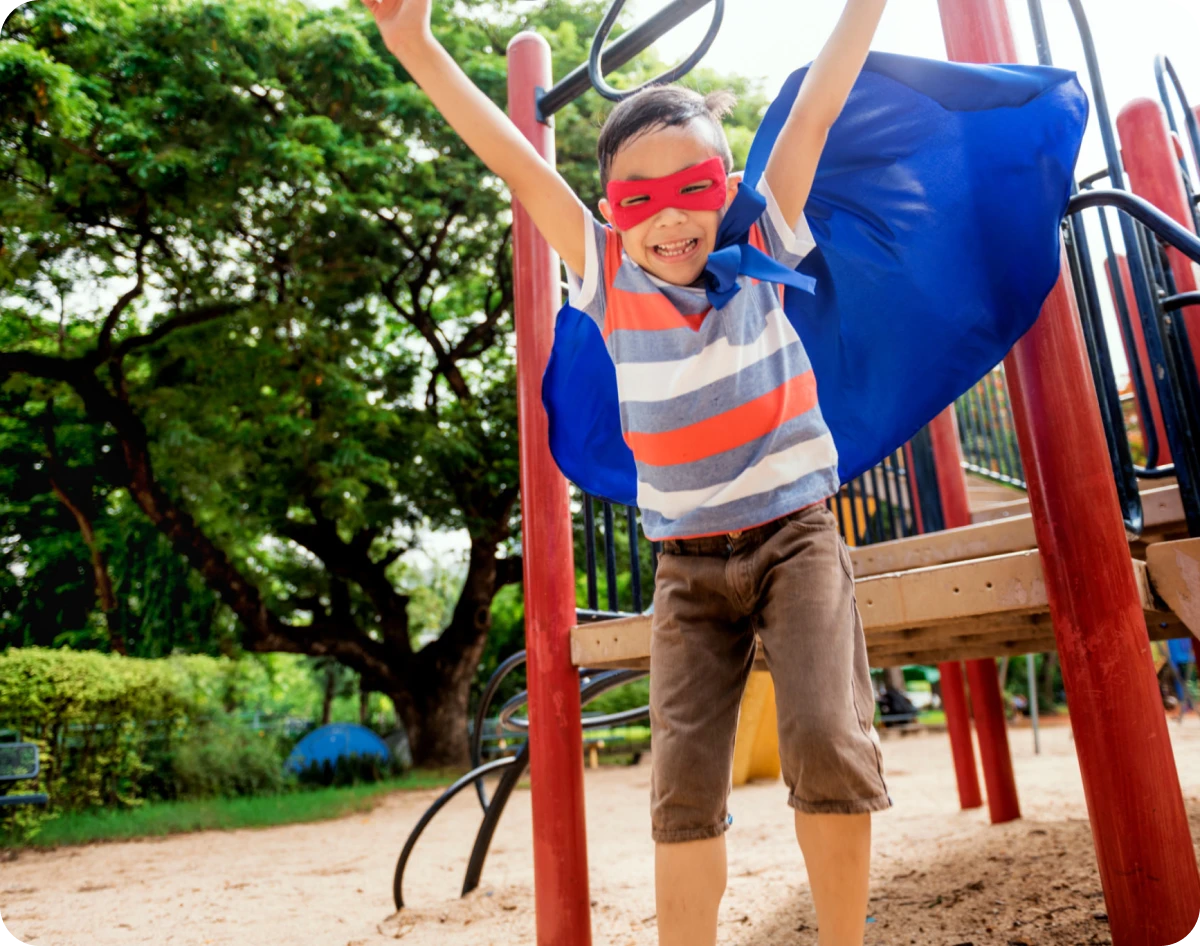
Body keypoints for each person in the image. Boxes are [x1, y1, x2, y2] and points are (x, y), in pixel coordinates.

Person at [362, 1, 889, 943]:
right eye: (640, 199)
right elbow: (512, 160)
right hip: (685, 571)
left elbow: (818, 102)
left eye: (691, 188)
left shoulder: (764, 240)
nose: (671, 218)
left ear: (725, 187)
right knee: (681, 784)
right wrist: (416, 44)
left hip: (796, 537)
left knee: (824, 737)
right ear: (611, 213)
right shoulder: (604, 272)